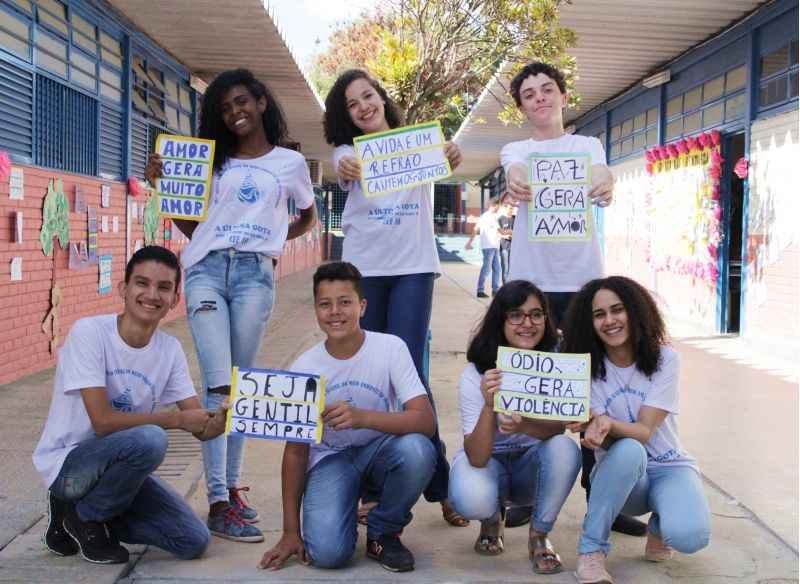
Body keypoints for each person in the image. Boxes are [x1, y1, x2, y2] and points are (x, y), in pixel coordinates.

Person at [146, 69, 317, 542]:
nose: (235, 112)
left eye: (241, 101)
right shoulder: (210, 160)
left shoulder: (288, 163)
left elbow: (307, 215)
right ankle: (218, 502)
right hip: (204, 271)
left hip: (253, 278)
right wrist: (165, 186)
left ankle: (233, 492)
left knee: (241, 389)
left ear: (261, 102)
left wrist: (273, 243)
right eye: (225, 108)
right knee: (219, 385)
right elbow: (192, 221)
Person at [501, 61, 644, 535]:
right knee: (532, 390)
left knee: (590, 392)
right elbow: (516, 171)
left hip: (584, 285)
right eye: (528, 94)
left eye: (547, 89)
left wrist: (606, 182)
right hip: (531, 285)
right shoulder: (516, 149)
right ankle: (530, 490)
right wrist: (518, 180)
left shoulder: (586, 146)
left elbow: (602, 172)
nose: (539, 97)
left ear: (563, 96)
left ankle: (602, 491)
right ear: (521, 107)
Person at [323, 68, 465, 527]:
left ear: (382, 99)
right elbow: (346, 167)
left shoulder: (418, 144)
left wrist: (450, 153)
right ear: (346, 116)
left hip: (413, 270)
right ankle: (374, 484)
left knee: (411, 375)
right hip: (367, 274)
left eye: (369, 96)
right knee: (372, 376)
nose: (364, 106)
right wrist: (346, 166)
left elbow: (444, 158)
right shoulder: (348, 152)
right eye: (353, 104)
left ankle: (442, 485)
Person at [33, 246, 227, 564]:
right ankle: (83, 514)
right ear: (124, 289)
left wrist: (218, 421)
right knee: (151, 438)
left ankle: (81, 519)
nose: (152, 294)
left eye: (164, 287)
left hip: (120, 473)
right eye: (142, 283)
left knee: (192, 541)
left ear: (174, 299)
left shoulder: (169, 349)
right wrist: (176, 420)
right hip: (69, 468)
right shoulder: (90, 333)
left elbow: (199, 423)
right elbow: (102, 422)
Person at [258, 262, 436, 573]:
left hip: (381, 452)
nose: (335, 312)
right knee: (328, 555)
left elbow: (425, 421)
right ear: (315, 309)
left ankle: (383, 530)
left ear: (362, 306)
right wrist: (290, 531)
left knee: (418, 450)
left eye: (345, 302)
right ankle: (345, 507)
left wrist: (363, 417)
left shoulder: (390, 348)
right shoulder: (304, 366)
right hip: (331, 459)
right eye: (325, 304)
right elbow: (297, 452)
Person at [562, 276, 710, 583]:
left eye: (618, 310)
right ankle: (591, 552)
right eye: (599, 314)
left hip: (670, 466)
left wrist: (606, 423)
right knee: (628, 451)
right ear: (588, 323)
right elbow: (615, 437)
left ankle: (661, 525)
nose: (610, 320)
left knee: (690, 537)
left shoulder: (665, 359)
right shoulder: (584, 369)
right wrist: (588, 425)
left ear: (636, 311)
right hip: (624, 479)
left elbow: (645, 430)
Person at [448, 280, 580, 575]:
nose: (527, 324)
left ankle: (539, 535)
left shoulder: (555, 362)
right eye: (516, 315)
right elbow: (478, 457)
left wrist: (527, 424)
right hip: (489, 465)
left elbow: (558, 428)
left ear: (547, 319)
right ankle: (491, 518)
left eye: (536, 314)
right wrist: (488, 406)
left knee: (565, 448)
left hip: (530, 468)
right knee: (470, 495)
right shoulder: (477, 373)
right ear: (501, 320)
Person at [465, 197, 502, 298]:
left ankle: (495, 290)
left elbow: (476, 229)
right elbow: (476, 229)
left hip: (494, 246)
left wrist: (469, 242)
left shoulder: (492, 216)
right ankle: (480, 290)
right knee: (486, 268)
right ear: (494, 206)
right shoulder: (487, 216)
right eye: (498, 206)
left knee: (497, 269)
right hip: (488, 246)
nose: (499, 208)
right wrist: (469, 242)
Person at [497, 196, 515, 285]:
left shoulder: (516, 218)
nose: (511, 210)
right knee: (506, 268)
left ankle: (511, 285)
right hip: (504, 247)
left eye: (512, 208)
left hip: (514, 248)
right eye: (510, 208)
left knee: (513, 268)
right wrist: (505, 236)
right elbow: (497, 233)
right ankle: (505, 286)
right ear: (506, 208)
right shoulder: (500, 219)